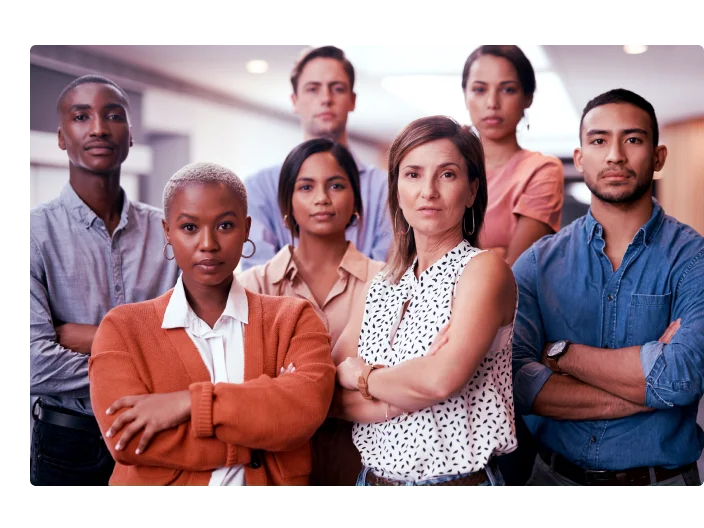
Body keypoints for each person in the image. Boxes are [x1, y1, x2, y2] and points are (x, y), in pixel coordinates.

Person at [88, 162, 336, 487]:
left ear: (246, 228)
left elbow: (302, 413)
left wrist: (188, 403)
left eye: (225, 225)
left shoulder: (293, 320)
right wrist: (258, 438)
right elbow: (128, 438)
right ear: (167, 231)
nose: (208, 244)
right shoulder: (122, 328)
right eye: (189, 228)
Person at [512, 88, 703, 488]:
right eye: (599, 140)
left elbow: (682, 377)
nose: (615, 154)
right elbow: (518, 384)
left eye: (632, 139)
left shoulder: (694, 259)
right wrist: (649, 388)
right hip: (552, 481)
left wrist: (560, 354)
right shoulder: (535, 263)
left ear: (658, 156)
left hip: (661, 482)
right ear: (580, 158)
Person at [333, 115, 518, 487]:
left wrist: (361, 375)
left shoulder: (483, 271)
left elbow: (438, 379)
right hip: (370, 484)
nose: (428, 191)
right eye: (413, 174)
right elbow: (329, 393)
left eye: (447, 174)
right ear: (397, 189)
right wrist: (396, 395)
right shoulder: (383, 283)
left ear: (471, 191)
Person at [29, 75, 180, 487]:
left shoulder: (170, 230)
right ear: (62, 137)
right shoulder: (29, 235)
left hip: (162, 438)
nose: (98, 128)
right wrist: (151, 359)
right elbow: (31, 364)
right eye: (81, 117)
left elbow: (201, 342)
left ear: (130, 137)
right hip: (68, 443)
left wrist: (82, 337)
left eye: (113, 116)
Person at [238, 138, 384, 487]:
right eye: (306, 187)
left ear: (355, 201)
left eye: (336, 185)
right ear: (287, 203)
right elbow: (245, 388)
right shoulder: (251, 286)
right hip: (275, 471)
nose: (322, 198)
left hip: (366, 469)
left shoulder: (387, 283)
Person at [242, 45, 391, 271]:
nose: (326, 99)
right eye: (313, 89)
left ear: (352, 100)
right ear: (294, 100)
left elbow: (389, 275)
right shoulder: (259, 187)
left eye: (337, 88)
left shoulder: (386, 188)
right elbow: (260, 278)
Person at [462, 44, 564, 266]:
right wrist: (490, 256)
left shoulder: (541, 170)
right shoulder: (448, 167)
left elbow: (513, 269)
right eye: (480, 90)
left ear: (527, 98)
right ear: (465, 95)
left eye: (507, 89)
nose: (492, 103)